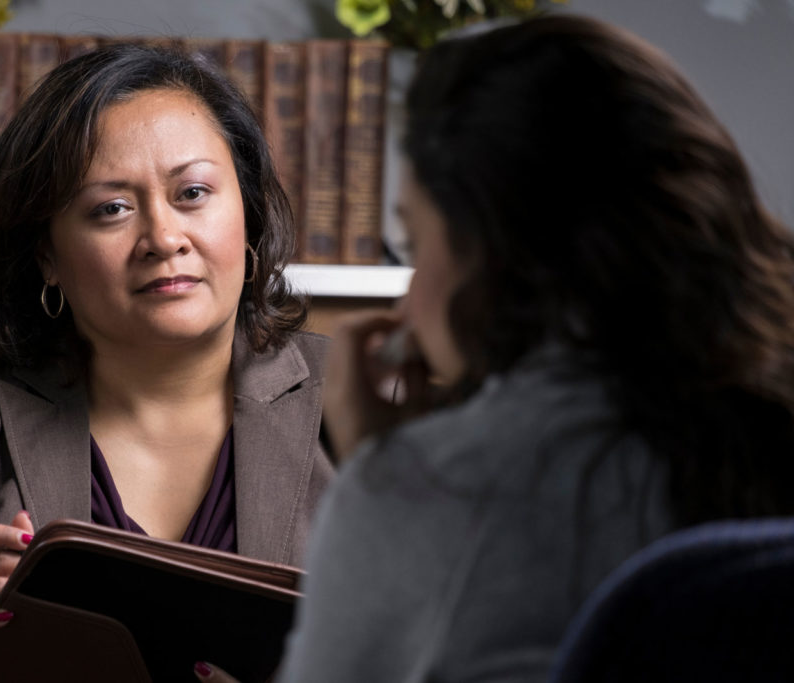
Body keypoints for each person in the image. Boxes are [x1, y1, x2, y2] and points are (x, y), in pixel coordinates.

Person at [194, 13, 794, 683]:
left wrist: (388, 478)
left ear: (490, 258)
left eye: (415, 245)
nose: (407, 302)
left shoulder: (430, 492)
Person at [0, 43, 333, 682]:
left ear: (249, 214)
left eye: (192, 192)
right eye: (111, 209)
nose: (164, 238)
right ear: (46, 255)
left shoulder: (362, 403)